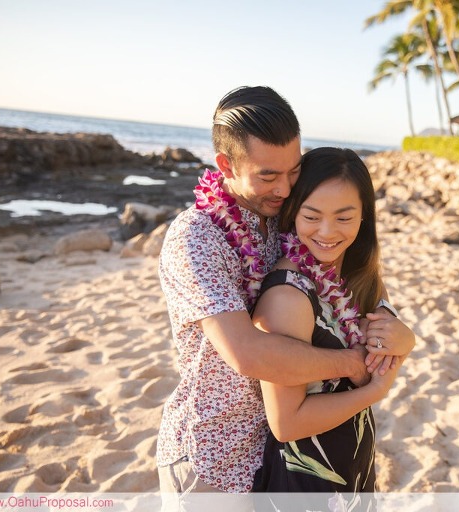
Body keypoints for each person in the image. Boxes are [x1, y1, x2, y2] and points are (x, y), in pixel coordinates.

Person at [156, 86, 415, 504]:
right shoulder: (196, 238)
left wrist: (401, 331)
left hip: (278, 457)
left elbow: (348, 278)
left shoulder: (287, 216)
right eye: (268, 175)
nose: (284, 188)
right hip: (213, 457)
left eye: (293, 170)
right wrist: (352, 363)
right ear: (226, 164)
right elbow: (247, 354)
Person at [250, 147, 404, 509]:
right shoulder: (288, 297)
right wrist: (373, 393)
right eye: (312, 216)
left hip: (353, 464)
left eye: (344, 218)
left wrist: (406, 338)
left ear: (365, 216)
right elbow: (285, 423)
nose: (327, 232)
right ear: (293, 212)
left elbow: (387, 329)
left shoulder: (356, 276)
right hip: (306, 480)